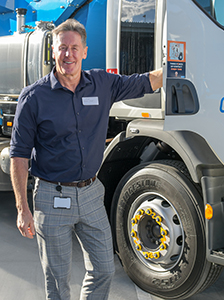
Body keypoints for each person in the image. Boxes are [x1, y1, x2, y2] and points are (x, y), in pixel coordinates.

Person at [10, 18, 162, 300]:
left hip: (91, 193)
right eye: (62, 48)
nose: (68, 54)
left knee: (104, 268)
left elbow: (143, 83)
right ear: (52, 52)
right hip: (51, 196)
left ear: (85, 51)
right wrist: (22, 208)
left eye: (74, 48)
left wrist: (175, 69)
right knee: (57, 280)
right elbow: (18, 156)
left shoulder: (102, 83)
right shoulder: (33, 97)